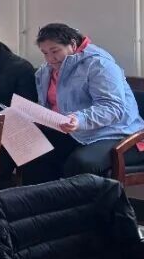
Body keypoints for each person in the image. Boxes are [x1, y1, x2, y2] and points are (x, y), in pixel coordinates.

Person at [19, 23, 144, 182]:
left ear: (72, 44)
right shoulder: (45, 71)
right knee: (32, 153)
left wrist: (80, 119)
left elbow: (112, 107)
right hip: (73, 130)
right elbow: (49, 105)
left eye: (55, 51)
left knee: (80, 164)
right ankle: (39, 198)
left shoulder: (99, 65)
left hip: (114, 132)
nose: (50, 59)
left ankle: (75, 200)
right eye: (45, 53)